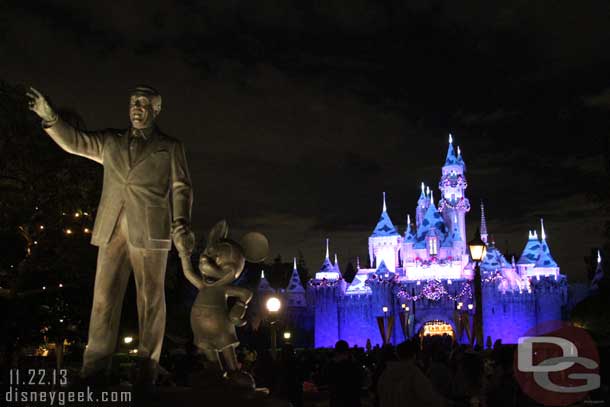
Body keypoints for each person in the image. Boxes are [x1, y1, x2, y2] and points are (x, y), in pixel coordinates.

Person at [26, 86, 194, 387]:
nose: (136, 107)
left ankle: (147, 368)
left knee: (151, 301)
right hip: (112, 227)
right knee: (103, 299)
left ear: (156, 109)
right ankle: (95, 367)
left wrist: (181, 220)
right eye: (132, 102)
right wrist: (51, 118)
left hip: (151, 231)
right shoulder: (110, 141)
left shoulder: (169, 146)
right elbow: (76, 142)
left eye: (143, 103)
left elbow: (182, 187)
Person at [377, 340, 446, 407]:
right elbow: (429, 397)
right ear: (414, 355)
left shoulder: (385, 374)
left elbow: (380, 395)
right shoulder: (414, 374)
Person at [325, 340, 363, 407]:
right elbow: (360, 381)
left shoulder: (331, 366)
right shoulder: (354, 365)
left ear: (336, 351)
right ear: (347, 351)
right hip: (352, 401)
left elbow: (327, 381)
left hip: (337, 401)